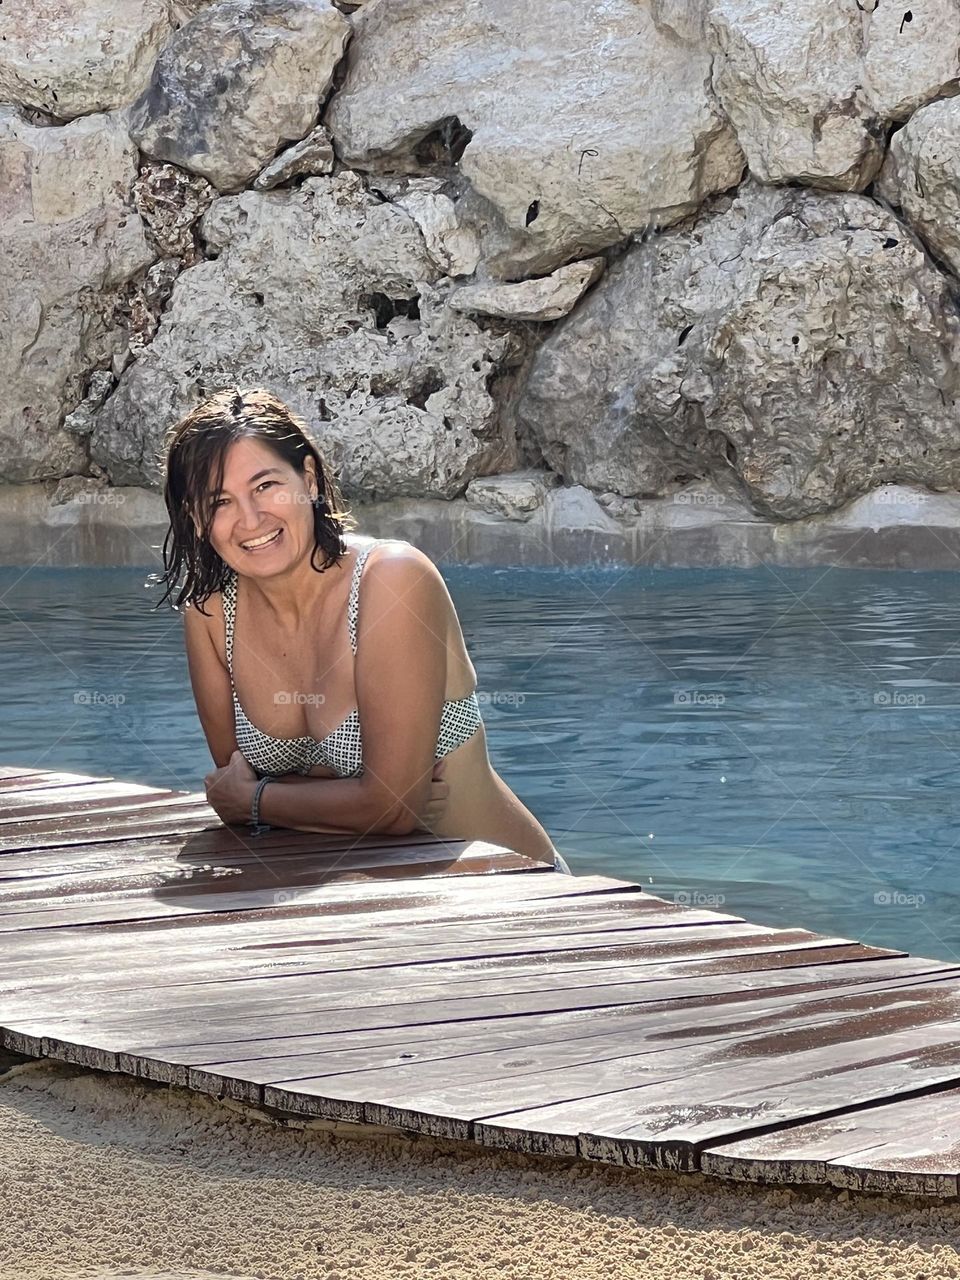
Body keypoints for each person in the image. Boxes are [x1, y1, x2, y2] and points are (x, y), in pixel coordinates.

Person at [156, 386, 564, 868]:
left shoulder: (391, 580)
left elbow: (389, 808)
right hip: (354, 900)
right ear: (196, 520)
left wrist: (261, 799)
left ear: (308, 480)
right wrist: (365, 802)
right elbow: (233, 791)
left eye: (265, 486)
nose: (250, 518)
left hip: (515, 891)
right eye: (220, 501)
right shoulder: (210, 614)